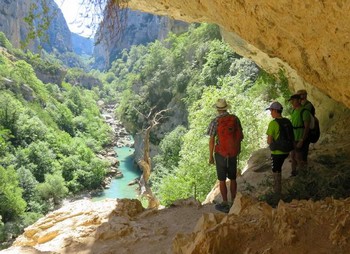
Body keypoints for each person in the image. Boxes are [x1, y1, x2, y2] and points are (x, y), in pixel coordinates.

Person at [207, 98, 243, 212]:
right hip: (232, 153)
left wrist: (211, 156)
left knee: (221, 180)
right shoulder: (235, 119)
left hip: (220, 154)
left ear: (218, 109)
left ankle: (225, 202)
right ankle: (233, 201)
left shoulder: (215, 121)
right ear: (226, 108)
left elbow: (211, 140)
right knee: (233, 179)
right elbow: (240, 136)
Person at [266, 101, 292, 198]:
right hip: (287, 150)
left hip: (277, 152)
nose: (270, 113)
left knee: (276, 172)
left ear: (276, 111)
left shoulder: (273, 123)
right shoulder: (288, 121)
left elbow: (269, 141)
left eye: (271, 110)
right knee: (279, 170)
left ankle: (277, 194)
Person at [288, 94, 312, 176]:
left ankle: (303, 175)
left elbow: (307, 127)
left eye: (293, 100)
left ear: (299, 100)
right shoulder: (294, 110)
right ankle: (294, 173)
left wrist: (302, 140)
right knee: (292, 156)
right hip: (294, 137)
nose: (291, 102)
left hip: (300, 138)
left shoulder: (304, 112)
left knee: (299, 157)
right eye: (291, 100)